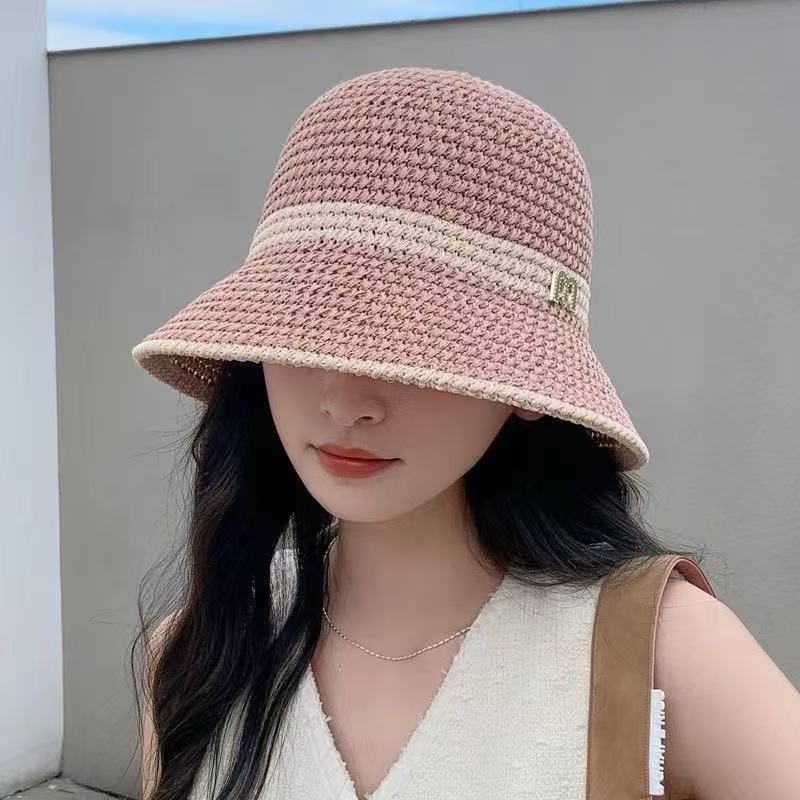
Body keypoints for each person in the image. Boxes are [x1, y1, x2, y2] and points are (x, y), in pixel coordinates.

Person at [130, 67, 800, 800]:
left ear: (528, 387)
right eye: (305, 330)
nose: (347, 402)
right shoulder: (200, 653)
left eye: (415, 344)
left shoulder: (661, 652)